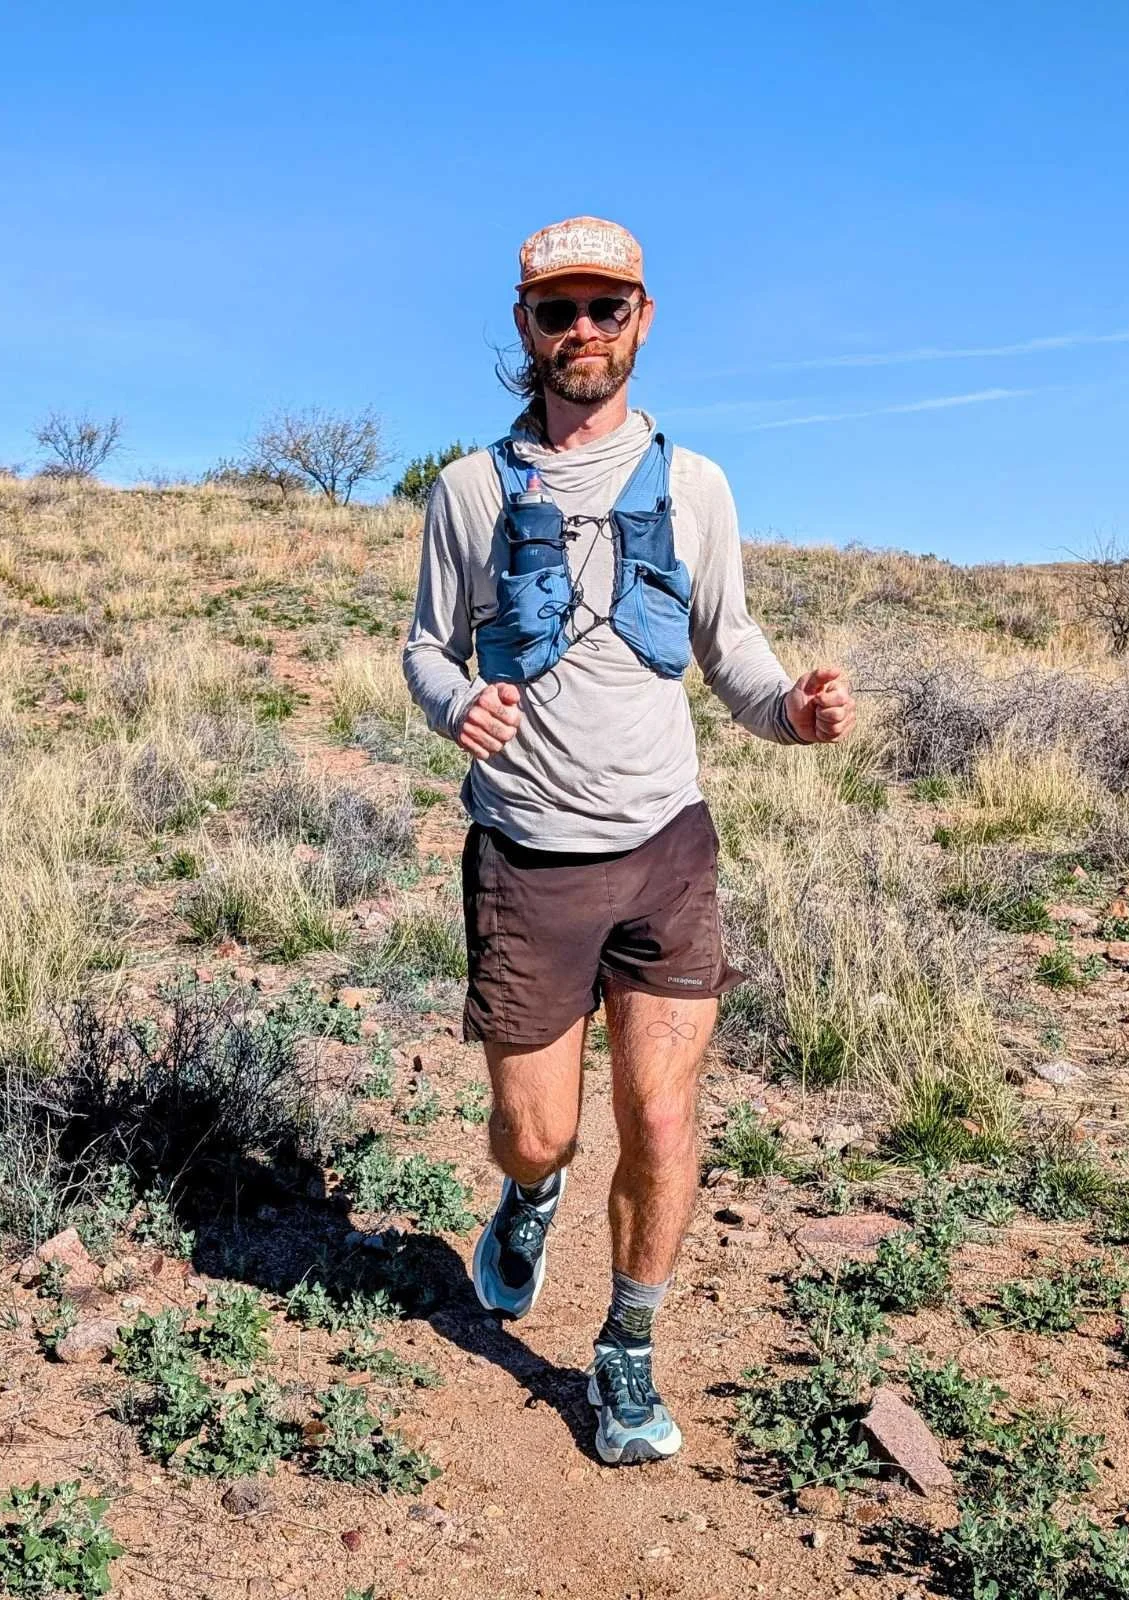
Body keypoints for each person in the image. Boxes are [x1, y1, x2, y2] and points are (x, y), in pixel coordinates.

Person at [402, 216, 856, 1465]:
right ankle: (533, 1193)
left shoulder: (697, 485)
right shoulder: (470, 491)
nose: (584, 332)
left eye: (608, 309)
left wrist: (792, 714)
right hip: (528, 856)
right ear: (525, 330)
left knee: (660, 1116)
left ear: (644, 319)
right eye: (560, 312)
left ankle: (626, 1353)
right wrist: (457, 703)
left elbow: (733, 648)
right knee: (538, 1127)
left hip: (666, 846)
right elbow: (426, 648)